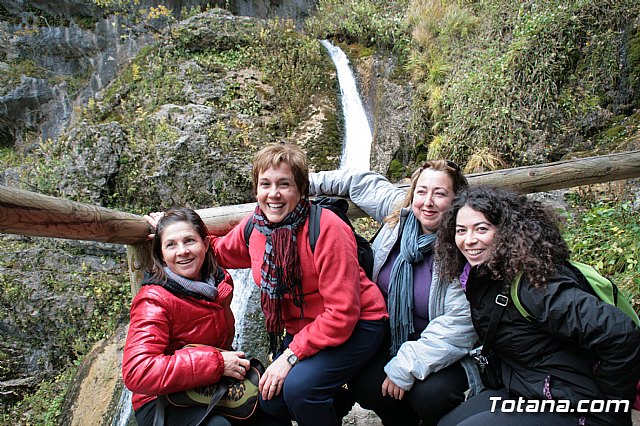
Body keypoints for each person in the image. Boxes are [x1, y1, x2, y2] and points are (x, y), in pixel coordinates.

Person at [209, 143, 389, 426]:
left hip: (359, 324)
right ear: (256, 190)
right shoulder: (254, 227)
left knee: (300, 390)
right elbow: (217, 251)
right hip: (306, 329)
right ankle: (334, 402)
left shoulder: (327, 228)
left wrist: (290, 357)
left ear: (301, 189)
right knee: (270, 399)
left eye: (284, 184)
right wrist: (174, 232)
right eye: (265, 184)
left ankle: (320, 400)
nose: (274, 194)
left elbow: (342, 313)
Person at [435, 186, 640, 426]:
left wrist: (611, 401)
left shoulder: (536, 287)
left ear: (507, 232)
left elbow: (620, 333)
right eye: (461, 230)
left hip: (579, 405)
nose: (469, 240)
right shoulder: (487, 276)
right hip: (530, 390)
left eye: (482, 229)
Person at [309, 161, 482, 426]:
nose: (428, 202)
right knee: (366, 386)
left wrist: (406, 365)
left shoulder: (464, 244)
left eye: (440, 193)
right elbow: (357, 181)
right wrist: (299, 183)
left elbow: (460, 323)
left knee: (430, 395)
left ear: (457, 199)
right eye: (422, 191)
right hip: (390, 336)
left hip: (445, 350)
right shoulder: (398, 216)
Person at [122, 208, 246, 426]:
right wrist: (216, 364)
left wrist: (169, 225)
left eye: (189, 241)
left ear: (206, 244)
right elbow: (137, 371)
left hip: (209, 384)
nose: (182, 251)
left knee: (269, 405)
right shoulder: (153, 299)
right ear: (161, 255)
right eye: (171, 245)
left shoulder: (217, 282)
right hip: (161, 399)